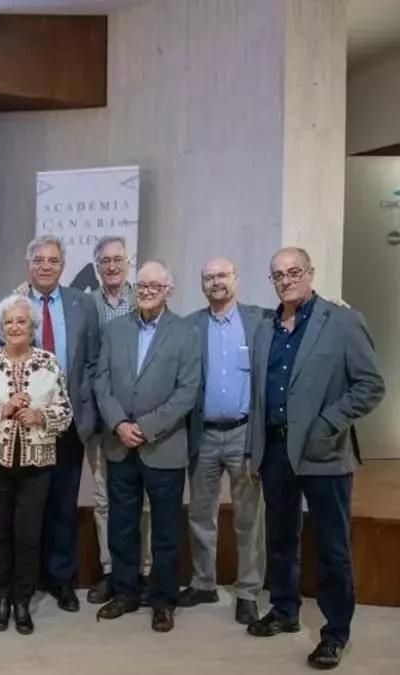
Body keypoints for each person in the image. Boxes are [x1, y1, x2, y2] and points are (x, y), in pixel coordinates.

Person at [246, 247, 384, 670]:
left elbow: (369, 385)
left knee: (331, 546)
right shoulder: (266, 327)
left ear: (310, 273)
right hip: (274, 451)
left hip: (324, 452)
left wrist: (328, 423)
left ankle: (335, 632)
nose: (285, 280)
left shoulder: (342, 321)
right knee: (281, 539)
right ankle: (285, 611)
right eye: (277, 275)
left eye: (293, 272)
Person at [0, 235, 99, 613]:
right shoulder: (14, 305)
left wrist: (82, 410)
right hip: (21, 427)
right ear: (29, 265)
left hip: (65, 423)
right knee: (26, 508)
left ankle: (62, 580)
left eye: (53, 260)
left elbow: (92, 362)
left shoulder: (84, 304)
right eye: (39, 260)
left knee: (63, 505)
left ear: (63, 265)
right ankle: (26, 581)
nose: (46, 266)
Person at [94, 261, 200, 633]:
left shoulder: (186, 332)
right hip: (120, 444)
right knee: (122, 525)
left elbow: (187, 391)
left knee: (166, 530)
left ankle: (163, 600)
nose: (148, 289)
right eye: (142, 284)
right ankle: (125, 592)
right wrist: (120, 424)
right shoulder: (114, 329)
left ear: (168, 289)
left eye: (156, 284)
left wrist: (146, 427)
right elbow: (101, 383)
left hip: (164, 446)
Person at [0, 294, 72, 635]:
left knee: (28, 535)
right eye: (8, 322)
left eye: (21, 321)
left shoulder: (49, 363)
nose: (14, 327)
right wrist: (4, 411)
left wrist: (41, 416)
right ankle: (1, 599)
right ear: (0, 327)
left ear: (32, 327)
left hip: (36, 464)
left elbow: (65, 412)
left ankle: (22, 600)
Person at [179, 258, 269, 625]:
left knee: (249, 517)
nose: (216, 282)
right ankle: (203, 582)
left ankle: (247, 590)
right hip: (203, 434)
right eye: (209, 277)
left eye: (223, 275)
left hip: (245, 433)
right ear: (202, 285)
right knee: (202, 513)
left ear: (236, 278)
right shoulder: (190, 326)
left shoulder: (260, 320)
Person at [85, 235, 152, 605]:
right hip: (103, 420)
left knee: (141, 502)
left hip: (144, 421)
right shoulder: (86, 304)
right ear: (96, 266)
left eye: (118, 260)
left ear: (130, 262)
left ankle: (141, 572)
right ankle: (111, 570)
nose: (111, 266)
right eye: (104, 261)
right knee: (103, 500)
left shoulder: (143, 297)